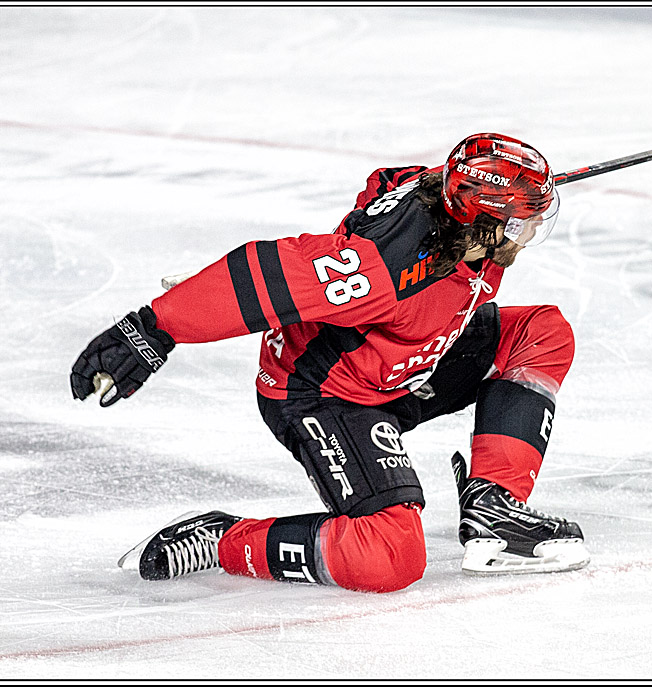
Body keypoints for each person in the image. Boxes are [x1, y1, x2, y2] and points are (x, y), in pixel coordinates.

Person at [70, 132, 589, 593]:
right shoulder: (382, 271)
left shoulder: (449, 205)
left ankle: (494, 509)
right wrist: (151, 329)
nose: (529, 234)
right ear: (483, 221)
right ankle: (220, 538)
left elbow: (385, 181)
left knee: (539, 332)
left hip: (408, 361)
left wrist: (514, 188)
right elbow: (264, 275)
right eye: (523, 224)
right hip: (325, 393)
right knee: (388, 557)